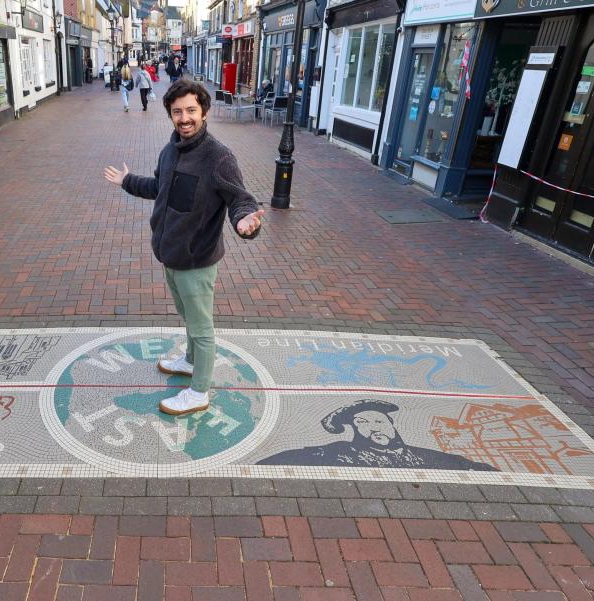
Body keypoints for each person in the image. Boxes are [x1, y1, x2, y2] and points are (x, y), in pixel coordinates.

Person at [103, 80, 264, 416]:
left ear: (203, 111)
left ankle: (199, 391)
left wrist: (245, 221)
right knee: (188, 317)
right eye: (178, 112)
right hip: (171, 255)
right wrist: (127, 182)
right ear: (171, 115)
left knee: (202, 328)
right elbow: (160, 188)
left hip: (197, 260)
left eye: (191, 110)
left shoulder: (219, 158)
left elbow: (241, 200)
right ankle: (190, 362)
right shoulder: (171, 149)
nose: (184, 118)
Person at [257, 399, 498, 471]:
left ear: (391, 424)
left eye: (379, 420)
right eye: (362, 422)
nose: (373, 426)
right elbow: (273, 462)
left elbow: (473, 468)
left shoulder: (427, 456)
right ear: (353, 428)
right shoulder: (334, 452)